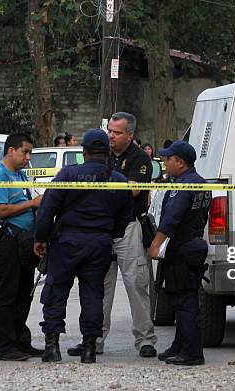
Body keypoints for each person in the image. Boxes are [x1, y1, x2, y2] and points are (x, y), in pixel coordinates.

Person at [34, 128, 132, 364]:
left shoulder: (67, 175)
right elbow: (125, 216)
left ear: (84, 152)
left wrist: (40, 238)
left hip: (66, 242)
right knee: (93, 295)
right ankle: (89, 348)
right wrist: (110, 235)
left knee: (56, 292)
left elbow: (47, 209)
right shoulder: (118, 180)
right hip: (99, 243)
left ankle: (52, 347)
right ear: (107, 152)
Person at [67, 111, 158, 358]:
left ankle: (145, 340)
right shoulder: (102, 157)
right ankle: (93, 339)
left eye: (117, 133)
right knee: (99, 287)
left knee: (136, 285)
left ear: (130, 134)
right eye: (109, 131)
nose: (111, 136)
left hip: (128, 227)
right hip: (103, 228)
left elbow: (133, 192)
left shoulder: (140, 159)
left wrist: (100, 194)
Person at [148, 141, 211, 366]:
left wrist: (156, 244)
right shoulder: (200, 183)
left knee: (185, 302)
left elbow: (172, 218)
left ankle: (192, 352)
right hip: (193, 244)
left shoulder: (183, 185)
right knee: (180, 299)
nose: (165, 164)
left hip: (182, 248)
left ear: (180, 162)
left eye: (168, 159)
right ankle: (180, 345)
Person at [0, 133, 44, 361]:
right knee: (6, 294)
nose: (28, 157)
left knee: (24, 293)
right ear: (11, 150)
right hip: (8, 241)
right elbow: (1, 210)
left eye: (29, 153)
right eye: (25, 152)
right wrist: (33, 203)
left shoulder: (21, 174)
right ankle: (5, 345)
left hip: (26, 241)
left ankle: (21, 340)